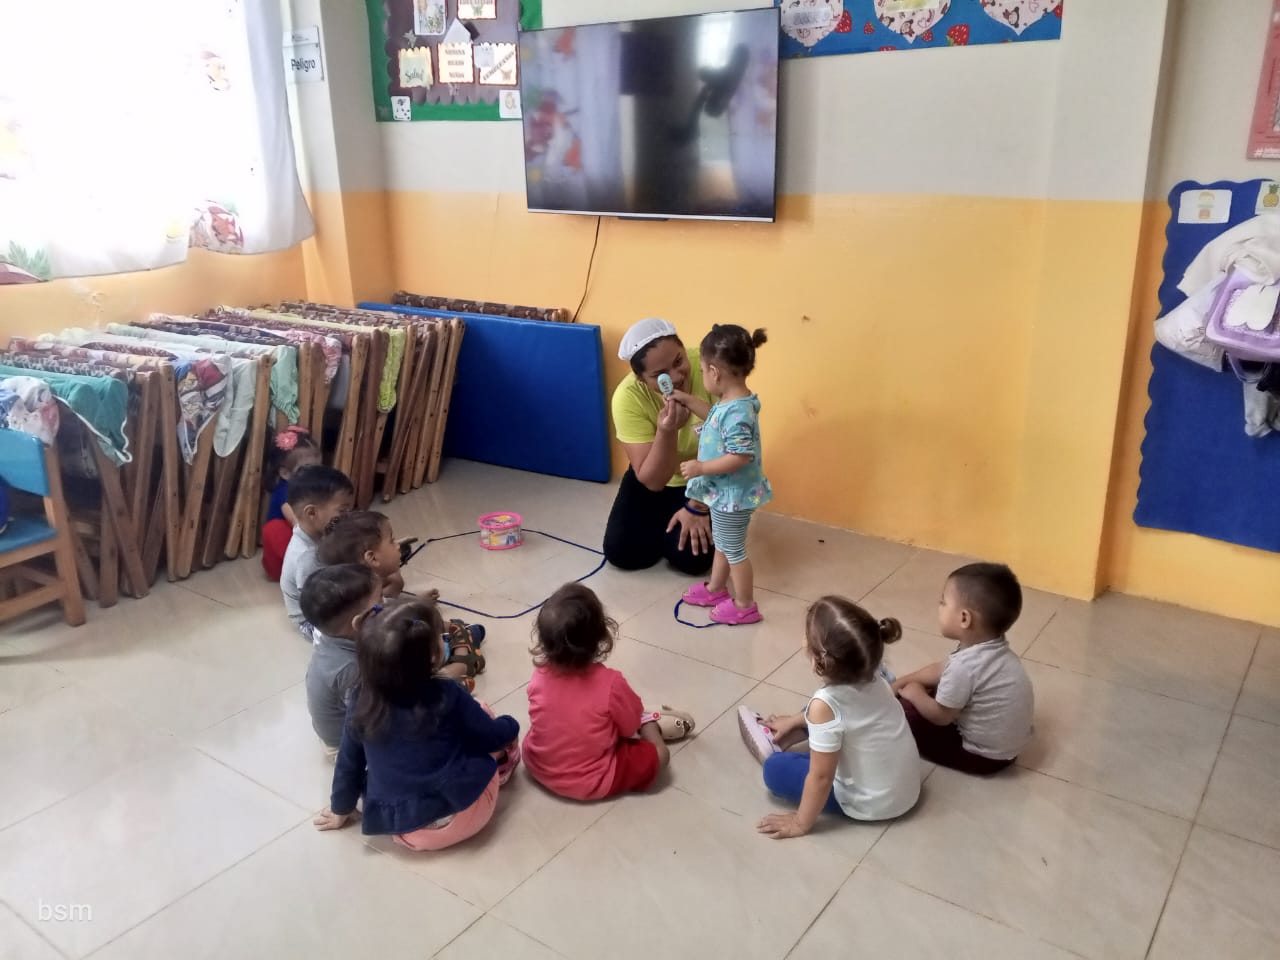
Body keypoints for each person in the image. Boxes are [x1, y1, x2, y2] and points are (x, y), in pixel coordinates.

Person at [313, 598, 521, 851]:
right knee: (482, 712)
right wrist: (510, 725)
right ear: (434, 655)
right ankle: (506, 765)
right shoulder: (447, 692)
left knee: (382, 773)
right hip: (467, 816)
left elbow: (349, 762)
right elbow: (490, 737)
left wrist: (340, 809)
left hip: (404, 830)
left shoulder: (360, 699)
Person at [739, 596, 921, 839]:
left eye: (807, 636)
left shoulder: (825, 705)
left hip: (870, 803)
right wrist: (795, 719)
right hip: (905, 790)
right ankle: (792, 729)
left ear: (819, 659)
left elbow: (822, 778)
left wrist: (801, 823)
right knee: (822, 709)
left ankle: (780, 741)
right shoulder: (878, 675)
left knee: (774, 768)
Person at [522, 582, 695, 800]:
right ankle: (652, 726)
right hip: (591, 779)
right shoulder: (611, 684)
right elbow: (629, 729)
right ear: (600, 636)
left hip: (539, 766)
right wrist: (640, 723)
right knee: (660, 756)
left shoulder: (539, 676)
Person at [892, 562, 1034, 775]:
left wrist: (915, 693)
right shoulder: (993, 649)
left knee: (906, 712)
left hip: (982, 758)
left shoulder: (965, 667)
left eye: (943, 602)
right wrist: (902, 682)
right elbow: (941, 669)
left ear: (964, 618)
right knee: (933, 688)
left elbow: (941, 717)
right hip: (1006, 750)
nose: (939, 606)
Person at [316, 510, 486, 687]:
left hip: (388, 674)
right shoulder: (352, 666)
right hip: (391, 689)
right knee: (452, 653)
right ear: (372, 558)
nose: (398, 545)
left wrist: (433, 616)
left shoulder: (361, 602)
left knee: (462, 632)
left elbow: (396, 610)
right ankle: (460, 665)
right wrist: (457, 665)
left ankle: (459, 651)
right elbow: (398, 693)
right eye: (392, 541)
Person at [603, 318, 715, 576]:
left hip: (708, 476)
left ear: (684, 349)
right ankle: (667, 526)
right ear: (641, 379)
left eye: (678, 361)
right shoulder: (628, 397)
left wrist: (697, 505)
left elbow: (736, 442)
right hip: (657, 475)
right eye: (659, 375)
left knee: (692, 560)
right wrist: (667, 431)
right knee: (622, 552)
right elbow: (652, 481)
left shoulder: (710, 368)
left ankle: (679, 526)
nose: (675, 377)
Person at [679, 324, 772, 624]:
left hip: (733, 496)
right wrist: (687, 400)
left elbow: (740, 456)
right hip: (726, 493)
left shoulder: (738, 412)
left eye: (702, 370)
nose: (702, 375)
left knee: (733, 549)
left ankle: (745, 604)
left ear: (714, 372)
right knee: (723, 542)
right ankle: (716, 588)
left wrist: (701, 468)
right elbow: (714, 417)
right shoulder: (732, 402)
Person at [300, 563, 382, 759]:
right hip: (345, 746)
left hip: (339, 724)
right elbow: (371, 719)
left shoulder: (331, 640)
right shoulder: (351, 668)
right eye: (380, 603)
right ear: (358, 623)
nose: (386, 605)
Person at [280, 465, 354, 640]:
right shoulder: (306, 557)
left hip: (328, 590)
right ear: (312, 513)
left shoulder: (317, 531)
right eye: (342, 511)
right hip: (313, 621)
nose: (348, 516)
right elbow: (320, 605)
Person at [261, 426, 321, 582]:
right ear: (285, 473)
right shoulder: (285, 491)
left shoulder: (311, 485)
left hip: (305, 544)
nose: (314, 474)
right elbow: (296, 521)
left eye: (317, 468)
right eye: (306, 469)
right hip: (281, 562)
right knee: (274, 528)